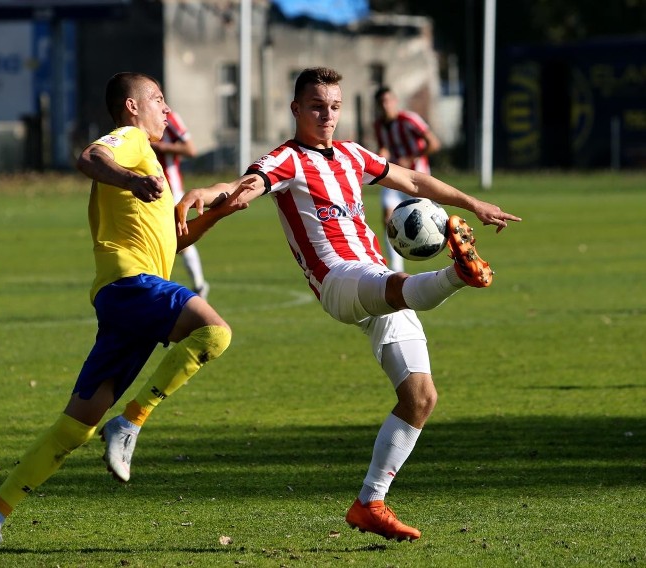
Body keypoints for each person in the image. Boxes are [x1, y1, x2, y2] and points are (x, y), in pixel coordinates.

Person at [177, 67, 520, 542]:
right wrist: (207, 194)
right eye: (317, 106)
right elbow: (246, 186)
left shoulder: (353, 155)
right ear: (296, 109)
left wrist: (472, 203)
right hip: (338, 280)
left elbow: (414, 183)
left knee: (420, 398)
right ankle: (457, 275)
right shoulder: (285, 160)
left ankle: (369, 503)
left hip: (377, 276)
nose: (327, 115)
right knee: (398, 284)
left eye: (334, 106)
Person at [0, 72, 255, 568]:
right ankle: (132, 422)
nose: (166, 107)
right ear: (132, 108)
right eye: (158, 99)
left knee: (76, 428)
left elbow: (174, 243)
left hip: (128, 300)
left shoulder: (149, 158)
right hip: (128, 285)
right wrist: (134, 179)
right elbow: (90, 158)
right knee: (215, 332)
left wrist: (221, 213)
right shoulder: (131, 142)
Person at [372, 85, 442, 272]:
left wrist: (412, 157)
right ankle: (396, 270)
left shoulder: (409, 120)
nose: (386, 106)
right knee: (388, 219)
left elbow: (434, 143)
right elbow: (384, 149)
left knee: (429, 220)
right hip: (394, 178)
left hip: (417, 179)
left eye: (388, 101)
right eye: (381, 103)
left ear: (395, 101)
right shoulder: (379, 126)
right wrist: (378, 159)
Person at [151, 109, 210, 298]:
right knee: (152, 239)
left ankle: (199, 285)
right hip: (147, 190)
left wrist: (161, 147)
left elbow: (190, 149)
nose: (162, 105)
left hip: (171, 190)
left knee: (178, 240)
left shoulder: (169, 118)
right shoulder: (136, 125)